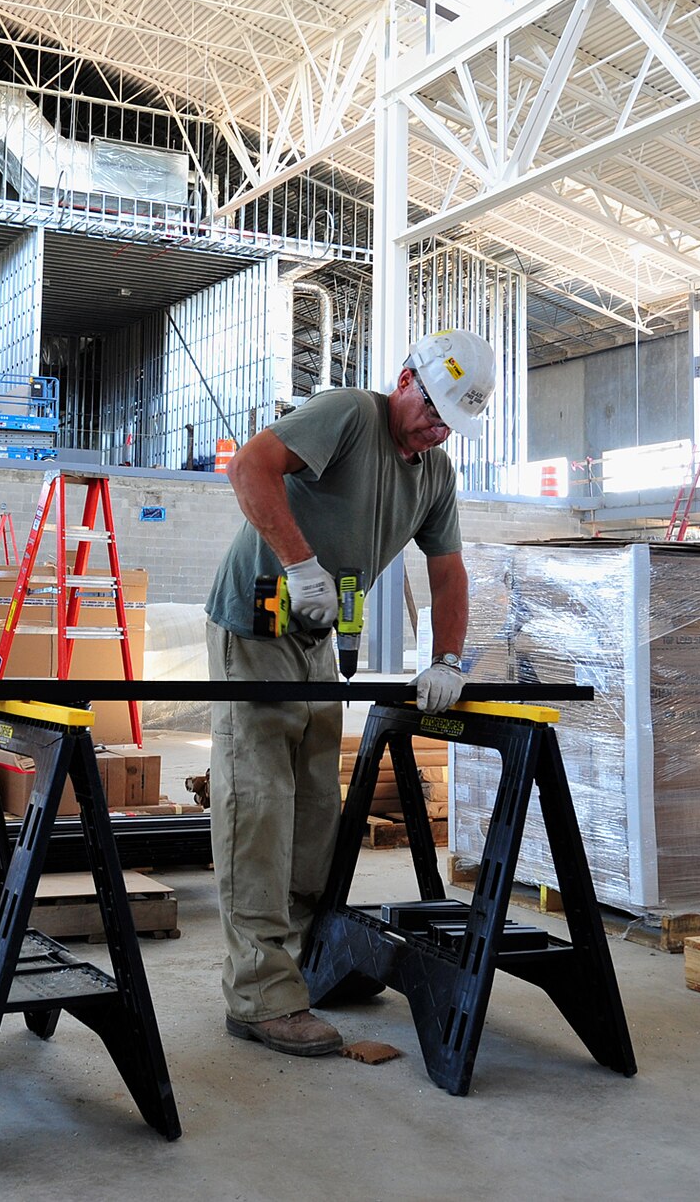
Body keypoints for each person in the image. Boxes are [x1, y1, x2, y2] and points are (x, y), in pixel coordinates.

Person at [203, 328, 497, 1057]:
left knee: (314, 808)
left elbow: (449, 571)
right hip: (257, 615)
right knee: (259, 802)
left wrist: (450, 658)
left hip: (314, 633)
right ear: (405, 380)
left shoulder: (433, 472)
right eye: (432, 411)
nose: (436, 430)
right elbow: (251, 467)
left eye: (451, 424)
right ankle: (259, 994)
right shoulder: (348, 414)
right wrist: (301, 564)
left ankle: (304, 962)